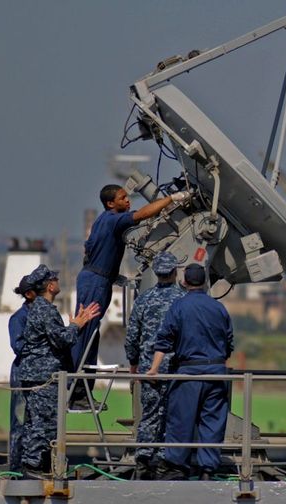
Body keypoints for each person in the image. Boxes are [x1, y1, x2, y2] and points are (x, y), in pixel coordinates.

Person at [71, 184, 190, 408]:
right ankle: (75, 393)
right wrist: (172, 198)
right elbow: (143, 214)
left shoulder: (102, 220)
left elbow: (89, 250)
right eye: (122, 198)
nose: (128, 201)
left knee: (91, 334)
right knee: (85, 333)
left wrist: (108, 273)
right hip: (96, 282)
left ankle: (81, 392)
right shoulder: (115, 219)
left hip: (98, 278)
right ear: (110, 203)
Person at [148, 263, 233, 481]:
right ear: (205, 282)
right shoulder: (219, 308)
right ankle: (207, 470)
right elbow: (229, 342)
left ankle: (177, 466)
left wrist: (154, 369)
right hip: (216, 372)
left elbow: (164, 339)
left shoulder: (179, 306)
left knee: (181, 420)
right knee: (212, 422)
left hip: (188, 373)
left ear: (184, 282)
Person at [19, 265, 100, 478]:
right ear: (50, 285)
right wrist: (77, 325)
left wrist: (72, 324)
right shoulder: (45, 310)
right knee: (44, 422)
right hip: (43, 376)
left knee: (35, 421)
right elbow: (62, 340)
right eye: (54, 278)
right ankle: (34, 468)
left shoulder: (38, 308)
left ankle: (33, 465)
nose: (57, 281)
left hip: (36, 375)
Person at [124, 252, 185, 480]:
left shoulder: (143, 299)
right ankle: (164, 461)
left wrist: (133, 364)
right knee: (171, 415)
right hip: (176, 368)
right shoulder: (183, 300)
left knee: (149, 414)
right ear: (174, 271)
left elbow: (131, 337)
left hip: (149, 367)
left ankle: (143, 459)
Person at [7, 275, 37, 472]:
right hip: (22, 374)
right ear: (29, 294)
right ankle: (16, 467)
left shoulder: (42, 315)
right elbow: (19, 346)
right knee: (20, 421)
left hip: (37, 375)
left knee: (36, 421)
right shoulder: (20, 318)